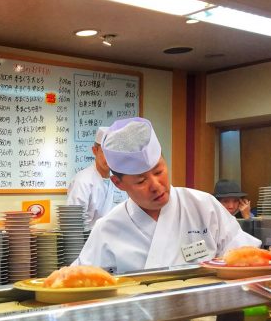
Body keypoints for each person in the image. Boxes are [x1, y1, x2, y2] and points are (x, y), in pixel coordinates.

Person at [75, 117, 260, 273]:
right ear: (119, 184)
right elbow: (84, 287)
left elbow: (246, 257)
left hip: (206, 314)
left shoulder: (203, 206)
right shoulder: (107, 229)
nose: (156, 186)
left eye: (158, 172)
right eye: (141, 181)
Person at [66, 126, 127, 228]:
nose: (110, 158)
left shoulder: (120, 180)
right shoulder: (82, 181)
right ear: (95, 151)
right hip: (90, 241)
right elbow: (73, 223)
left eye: (114, 153)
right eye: (105, 152)